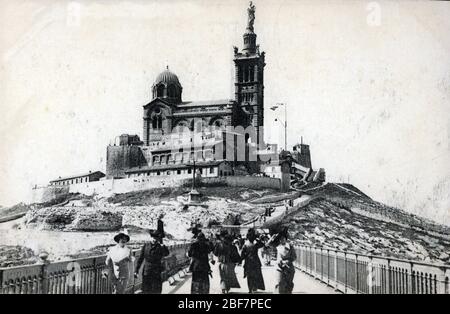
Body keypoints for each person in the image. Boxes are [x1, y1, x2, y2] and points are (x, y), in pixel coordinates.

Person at [135, 229, 170, 294]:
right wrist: (136, 270)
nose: (154, 239)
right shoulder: (146, 245)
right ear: (150, 237)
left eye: (156, 238)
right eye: (153, 238)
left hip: (156, 271)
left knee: (156, 290)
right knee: (146, 289)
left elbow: (166, 253)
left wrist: (163, 246)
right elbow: (140, 258)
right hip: (147, 271)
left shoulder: (160, 246)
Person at [267, 227, 296, 294]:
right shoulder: (277, 246)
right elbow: (268, 244)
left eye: (283, 238)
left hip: (289, 268)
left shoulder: (290, 247)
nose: (281, 240)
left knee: (288, 285)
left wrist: (288, 261)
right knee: (279, 283)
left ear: (286, 239)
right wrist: (272, 238)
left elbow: (294, 257)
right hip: (279, 268)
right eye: (280, 239)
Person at [105, 229, 133, 294]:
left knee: (120, 292)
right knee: (115, 291)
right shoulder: (112, 249)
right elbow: (107, 261)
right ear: (118, 240)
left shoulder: (128, 250)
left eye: (125, 240)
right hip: (114, 274)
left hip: (124, 275)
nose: (124, 241)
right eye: (122, 239)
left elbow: (131, 261)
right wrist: (109, 271)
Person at [240, 228, 265, 293]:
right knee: (255, 275)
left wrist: (241, 259)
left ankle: (250, 289)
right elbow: (262, 244)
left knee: (250, 276)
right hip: (255, 262)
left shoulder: (245, 244)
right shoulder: (255, 243)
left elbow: (242, 254)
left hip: (249, 262)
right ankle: (253, 288)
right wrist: (258, 240)